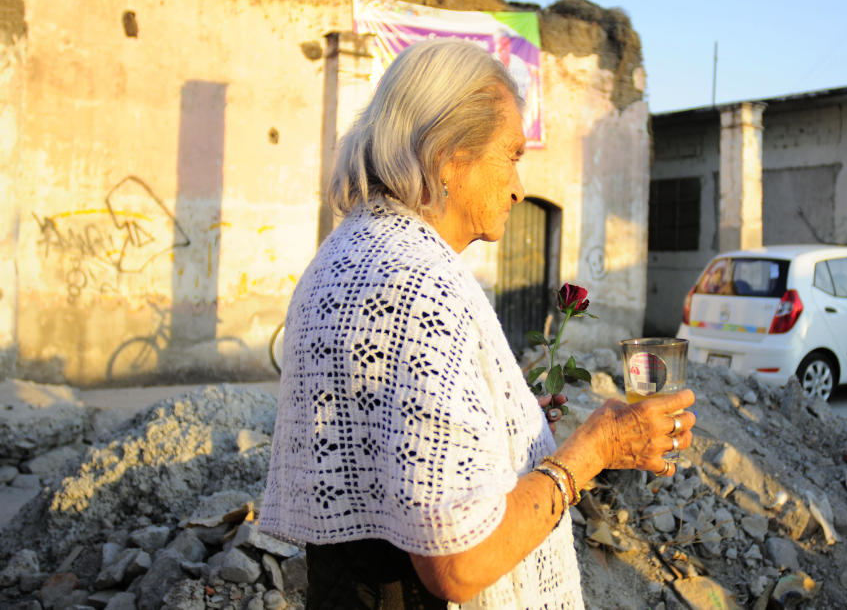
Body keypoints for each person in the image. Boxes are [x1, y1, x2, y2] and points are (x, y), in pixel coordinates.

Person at [259, 38, 696, 609]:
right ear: (448, 156)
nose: (519, 186)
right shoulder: (418, 287)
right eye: (512, 155)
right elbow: (458, 561)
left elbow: (398, 449)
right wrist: (594, 451)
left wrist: (504, 431)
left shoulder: (346, 252)